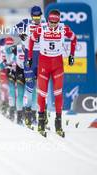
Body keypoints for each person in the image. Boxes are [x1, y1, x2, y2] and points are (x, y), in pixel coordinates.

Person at [28, 9, 77, 137]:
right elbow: (31, 40)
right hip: (44, 63)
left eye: (55, 23)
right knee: (42, 93)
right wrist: (29, 57)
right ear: (48, 20)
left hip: (57, 65)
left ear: (59, 21)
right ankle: (41, 122)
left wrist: (72, 55)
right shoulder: (41, 28)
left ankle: (58, 123)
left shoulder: (63, 28)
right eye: (51, 22)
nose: (53, 25)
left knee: (58, 93)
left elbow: (74, 38)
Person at [14, 6, 44, 128]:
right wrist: (21, 34)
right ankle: (27, 113)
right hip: (29, 56)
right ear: (31, 16)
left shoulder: (46, 23)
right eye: (34, 17)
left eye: (38, 16)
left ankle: (36, 115)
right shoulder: (26, 22)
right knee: (30, 87)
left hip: (42, 56)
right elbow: (14, 28)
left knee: (39, 89)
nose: (36, 19)